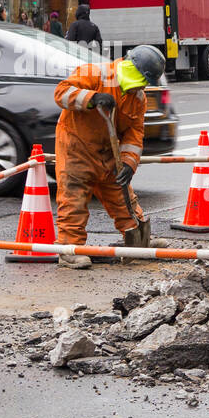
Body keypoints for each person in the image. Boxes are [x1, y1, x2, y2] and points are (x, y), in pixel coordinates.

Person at [52, 44, 167, 268]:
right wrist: (92, 98)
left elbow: (134, 134)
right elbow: (61, 93)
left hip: (108, 153)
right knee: (73, 198)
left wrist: (128, 165)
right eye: (142, 80)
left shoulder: (138, 98)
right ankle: (68, 249)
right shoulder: (94, 73)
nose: (141, 86)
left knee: (123, 196)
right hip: (77, 147)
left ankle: (139, 242)